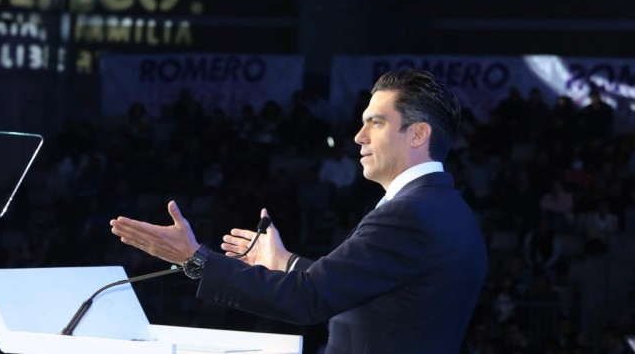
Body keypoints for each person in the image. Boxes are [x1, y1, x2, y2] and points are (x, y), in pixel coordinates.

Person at [110, 68, 488, 354]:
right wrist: (286, 262)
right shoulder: (447, 209)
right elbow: (359, 290)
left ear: (418, 134)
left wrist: (196, 259)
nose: (359, 136)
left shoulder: (409, 215)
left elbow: (307, 299)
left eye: (376, 122)